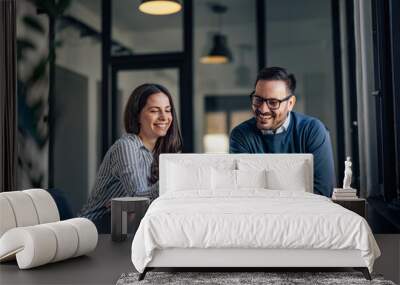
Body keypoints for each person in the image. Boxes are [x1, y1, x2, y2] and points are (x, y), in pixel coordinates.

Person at [80, 83, 182, 232]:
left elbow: (138, 206)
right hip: (98, 227)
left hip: (128, 223)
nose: (164, 117)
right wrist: (173, 180)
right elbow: (137, 201)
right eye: (154, 111)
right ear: (137, 116)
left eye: (168, 110)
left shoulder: (162, 151)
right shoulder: (127, 146)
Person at [229, 67, 335, 197]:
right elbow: (245, 193)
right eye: (258, 100)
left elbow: (323, 192)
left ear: (290, 103)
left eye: (273, 102)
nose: (263, 109)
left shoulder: (312, 130)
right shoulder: (240, 135)